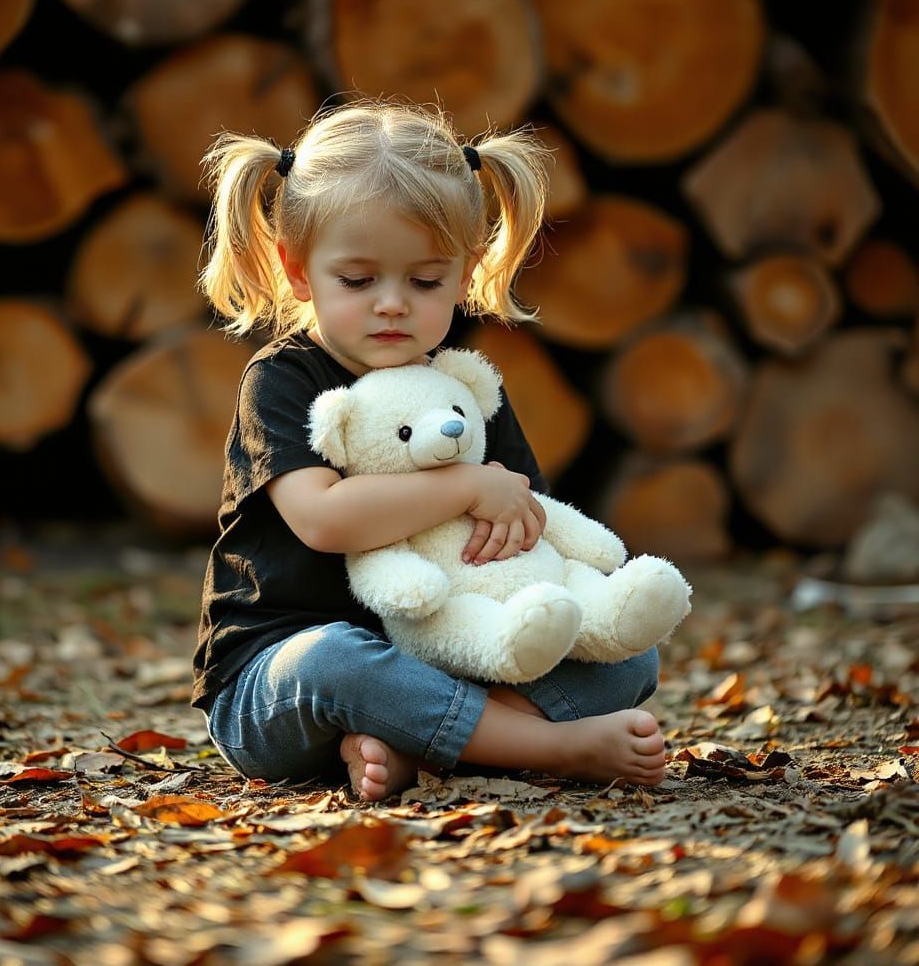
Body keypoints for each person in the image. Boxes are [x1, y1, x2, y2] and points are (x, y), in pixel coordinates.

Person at [191, 98, 665, 802]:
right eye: (358, 281)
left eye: (424, 280)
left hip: (451, 654)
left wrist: (517, 528)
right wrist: (468, 489)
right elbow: (324, 519)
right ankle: (551, 746)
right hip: (282, 680)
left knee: (629, 650)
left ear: (466, 273)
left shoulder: (464, 387)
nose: (392, 303)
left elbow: (528, 521)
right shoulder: (282, 380)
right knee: (338, 659)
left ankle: (423, 749)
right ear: (298, 270)